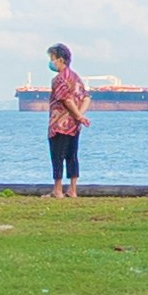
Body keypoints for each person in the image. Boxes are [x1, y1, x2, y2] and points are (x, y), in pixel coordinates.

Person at [45, 42, 89, 199]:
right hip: (74, 126)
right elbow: (86, 98)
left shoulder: (59, 79)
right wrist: (80, 116)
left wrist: (78, 115)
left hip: (59, 125)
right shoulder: (76, 78)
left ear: (60, 60)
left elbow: (66, 100)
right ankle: (73, 189)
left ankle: (57, 190)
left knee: (57, 156)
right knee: (72, 156)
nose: (51, 62)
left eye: (52, 58)